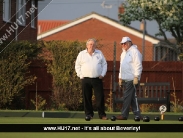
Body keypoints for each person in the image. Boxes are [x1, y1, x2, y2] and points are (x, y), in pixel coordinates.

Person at [75, 38, 108, 120]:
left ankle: (102, 115)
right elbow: (77, 66)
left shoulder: (99, 53)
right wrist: (80, 75)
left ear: (95, 46)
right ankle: (89, 114)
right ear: (87, 45)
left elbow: (104, 64)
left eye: (93, 44)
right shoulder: (81, 54)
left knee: (100, 97)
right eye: (90, 44)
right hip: (85, 79)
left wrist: (102, 74)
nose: (91, 46)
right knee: (87, 97)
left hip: (97, 79)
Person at [116, 36, 143, 120]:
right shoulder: (123, 53)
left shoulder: (135, 52)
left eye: (125, 43)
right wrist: (120, 78)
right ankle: (137, 114)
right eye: (122, 44)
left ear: (130, 43)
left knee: (127, 96)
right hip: (126, 78)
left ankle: (124, 115)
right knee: (132, 97)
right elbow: (121, 66)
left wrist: (136, 76)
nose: (123, 45)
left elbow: (138, 65)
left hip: (132, 78)